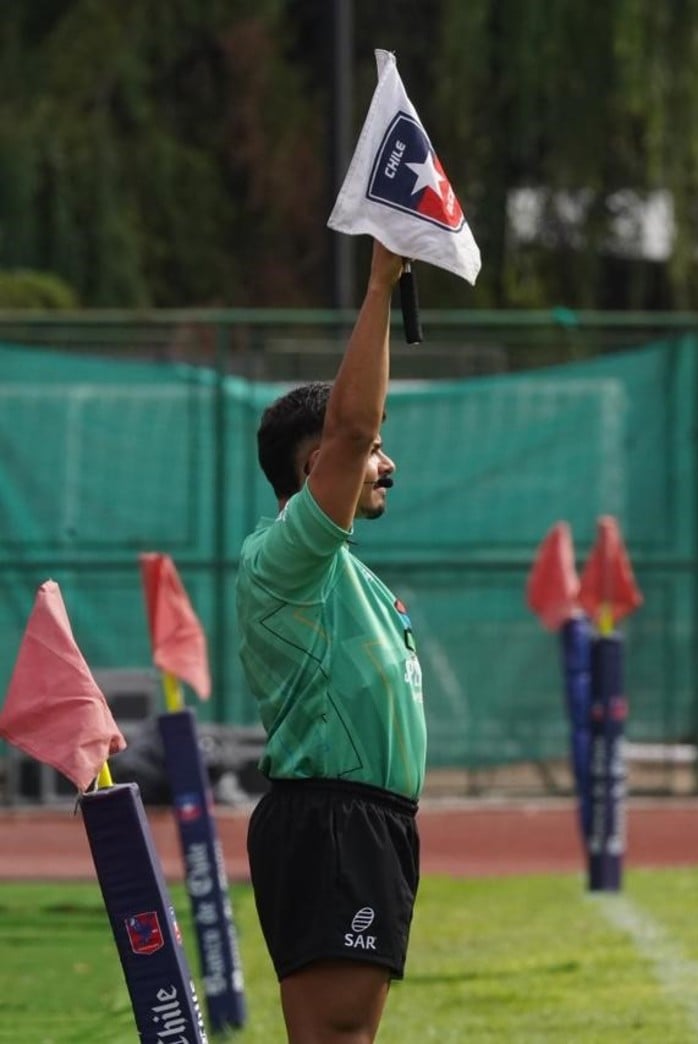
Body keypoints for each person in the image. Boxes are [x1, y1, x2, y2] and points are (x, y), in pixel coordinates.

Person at [236, 236, 426, 1043]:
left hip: (365, 823)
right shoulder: (293, 553)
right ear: (322, 466)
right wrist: (382, 285)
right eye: (374, 452)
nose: (386, 464)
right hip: (334, 823)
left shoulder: (339, 569)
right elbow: (350, 430)